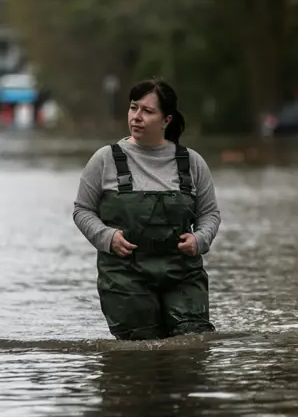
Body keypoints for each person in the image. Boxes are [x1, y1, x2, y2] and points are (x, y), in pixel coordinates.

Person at [73, 80, 222, 340]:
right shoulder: (105, 159)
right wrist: (107, 237)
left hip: (182, 274)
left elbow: (210, 214)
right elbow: (82, 210)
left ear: (166, 120)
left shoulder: (192, 162)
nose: (137, 117)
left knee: (193, 343)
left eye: (147, 111)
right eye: (133, 108)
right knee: (140, 351)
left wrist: (200, 239)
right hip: (125, 276)